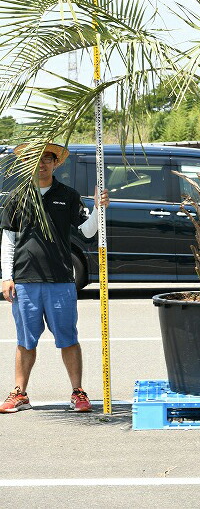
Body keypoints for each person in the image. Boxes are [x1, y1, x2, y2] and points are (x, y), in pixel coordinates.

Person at [0, 143, 109, 414]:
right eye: (36, 159)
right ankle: (19, 393)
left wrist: (98, 209)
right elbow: (8, 241)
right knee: (25, 341)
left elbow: (86, 232)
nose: (42, 164)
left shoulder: (68, 195)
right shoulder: (17, 197)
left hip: (61, 280)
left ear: (55, 163)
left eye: (47, 159)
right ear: (28, 163)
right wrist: (6, 277)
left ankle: (78, 392)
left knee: (68, 339)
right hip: (25, 281)